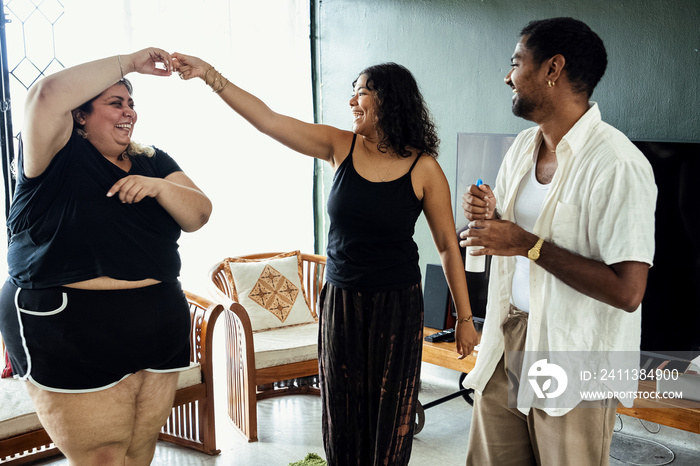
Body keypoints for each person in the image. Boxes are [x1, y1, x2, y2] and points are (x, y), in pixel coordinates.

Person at [172, 54, 479, 465]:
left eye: (362, 93)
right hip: (341, 299)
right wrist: (211, 76)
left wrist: (463, 318)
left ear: (389, 100)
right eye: (352, 94)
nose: (352, 102)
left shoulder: (423, 168)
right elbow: (268, 120)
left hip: (397, 305)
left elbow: (446, 244)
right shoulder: (340, 146)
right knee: (343, 407)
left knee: (391, 412)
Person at [459, 17, 657, 465]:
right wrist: (490, 221)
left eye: (516, 63)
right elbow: (510, 243)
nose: (507, 76)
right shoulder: (522, 147)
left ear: (553, 68)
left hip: (574, 357)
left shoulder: (618, 164)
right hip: (505, 338)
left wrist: (526, 242)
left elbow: (628, 292)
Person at [0, 48, 212, 465]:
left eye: (132, 103)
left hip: (157, 320)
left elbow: (198, 214)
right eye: (115, 102)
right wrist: (132, 62)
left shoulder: (153, 160)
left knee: (138, 452)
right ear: (80, 115)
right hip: (69, 324)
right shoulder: (54, 154)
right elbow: (45, 95)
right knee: (103, 458)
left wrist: (161, 188)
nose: (129, 111)